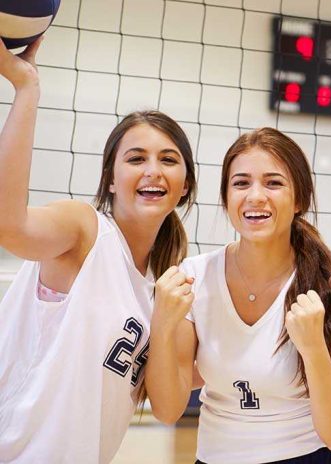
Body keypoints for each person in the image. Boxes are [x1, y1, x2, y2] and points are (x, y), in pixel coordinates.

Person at [0, 39, 197, 463]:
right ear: (110, 179)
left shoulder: (166, 287)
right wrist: (27, 89)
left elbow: (168, 408)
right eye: (136, 158)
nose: (152, 170)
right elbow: (8, 226)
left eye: (168, 159)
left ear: (185, 186)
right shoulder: (84, 229)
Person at [146, 127, 331, 464]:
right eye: (241, 183)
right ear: (227, 197)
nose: (255, 196)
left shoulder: (325, 283)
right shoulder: (194, 276)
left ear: (299, 198)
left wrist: (314, 347)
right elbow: (168, 410)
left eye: (273, 183)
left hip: (306, 456)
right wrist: (162, 324)